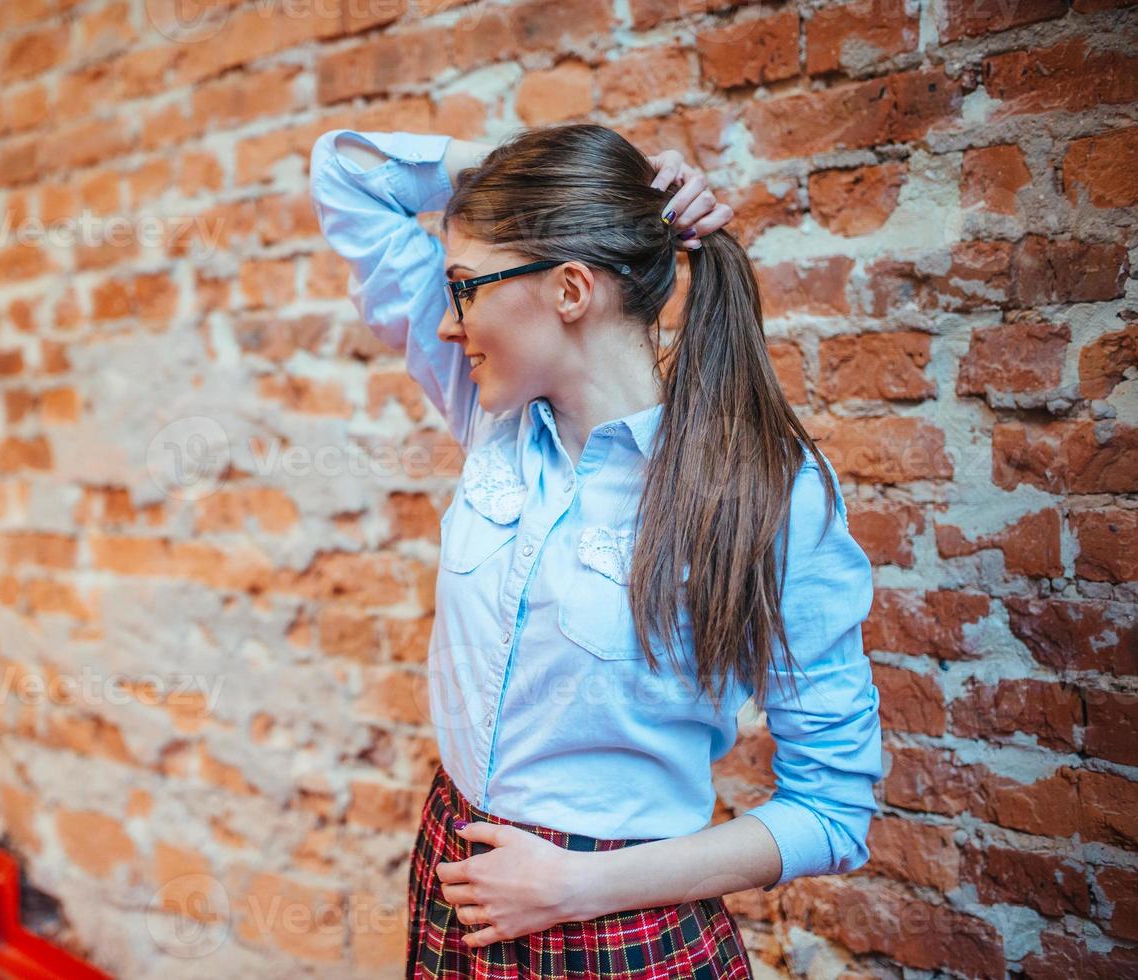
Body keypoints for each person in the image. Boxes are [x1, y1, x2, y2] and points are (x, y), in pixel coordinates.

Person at [307, 125, 883, 979]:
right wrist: (626, 190)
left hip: (622, 932)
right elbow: (345, 173)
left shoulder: (767, 490)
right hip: (456, 881)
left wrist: (577, 886)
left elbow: (832, 813)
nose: (444, 318)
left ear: (571, 289)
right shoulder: (490, 412)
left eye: (464, 288)